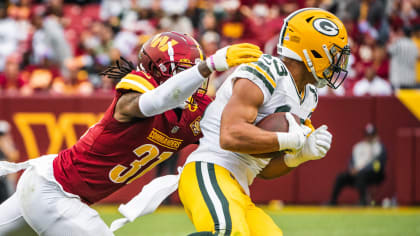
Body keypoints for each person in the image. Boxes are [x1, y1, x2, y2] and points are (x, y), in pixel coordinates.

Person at [0, 31, 262, 235]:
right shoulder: (136, 89)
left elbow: (237, 131)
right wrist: (207, 65)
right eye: (187, 70)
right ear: (159, 71)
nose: (196, 79)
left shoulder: (197, 111)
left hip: (52, 190)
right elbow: (156, 103)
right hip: (54, 191)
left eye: (197, 69)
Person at [178, 8, 350, 236]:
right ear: (313, 51)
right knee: (228, 232)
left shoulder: (309, 97)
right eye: (334, 54)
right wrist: (286, 139)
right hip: (209, 168)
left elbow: (264, 169)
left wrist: (299, 155)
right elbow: (229, 136)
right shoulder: (267, 69)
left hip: (240, 187)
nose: (339, 63)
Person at [329, 123, 387, 206]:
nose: (369, 137)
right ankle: (332, 201)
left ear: (375, 135)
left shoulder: (378, 147)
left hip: (373, 174)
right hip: (356, 172)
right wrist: (351, 169)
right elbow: (351, 161)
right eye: (367, 135)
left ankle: (363, 201)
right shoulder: (358, 146)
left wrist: (362, 170)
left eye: (371, 135)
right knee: (340, 177)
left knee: (361, 176)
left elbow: (378, 164)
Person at [0, 121, 19, 204]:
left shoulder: (5, 142)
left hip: (5, 178)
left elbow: (13, 156)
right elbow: (13, 155)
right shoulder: (4, 142)